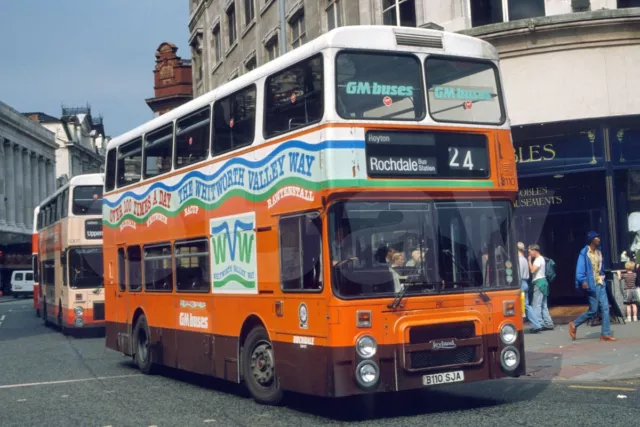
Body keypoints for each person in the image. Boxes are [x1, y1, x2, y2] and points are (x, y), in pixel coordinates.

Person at [569, 231, 616, 341]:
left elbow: (601, 267)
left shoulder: (599, 253)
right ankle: (574, 324)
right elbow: (580, 268)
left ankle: (605, 333)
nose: (599, 239)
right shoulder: (584, 252)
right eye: (596, 238)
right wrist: (582, 280)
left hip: (600, 282)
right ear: (591, 240)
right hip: (591, 284)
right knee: (593, 310)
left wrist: (603, 274)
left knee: (605, 308)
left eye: (599, 237)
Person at [528, 244, 554, 332]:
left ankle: (539, 323)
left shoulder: (538, 260)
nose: (529, 254)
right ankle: (548, 322)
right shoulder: (542, 259)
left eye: (530, 251)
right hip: (543, 282)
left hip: (539, 283)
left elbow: (532, 270)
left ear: (534, 250)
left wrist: (529, 262)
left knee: (536, 304)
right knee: (543, 304)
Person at [518, 242, 541, 331]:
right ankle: (536, 324)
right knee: (526, 305)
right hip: (525, 282)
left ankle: (533, 324)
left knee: (521, 305)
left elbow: (518, 274)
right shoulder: (524, 259)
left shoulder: (518, 260)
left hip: (520, 283)